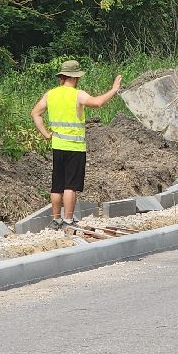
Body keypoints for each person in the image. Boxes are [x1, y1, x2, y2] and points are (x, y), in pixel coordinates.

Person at [30, 60, 123, 229]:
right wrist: (113, 90)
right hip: (74, 147)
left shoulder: (50, 94)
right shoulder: (77, 94)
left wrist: (46, 134)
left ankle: (56, 220)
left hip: (57, 146)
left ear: (62, 76)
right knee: (70, 186)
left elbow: (35, 113)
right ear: (75, 77)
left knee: (57, 186)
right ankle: (68, 221)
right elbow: (97, 103)